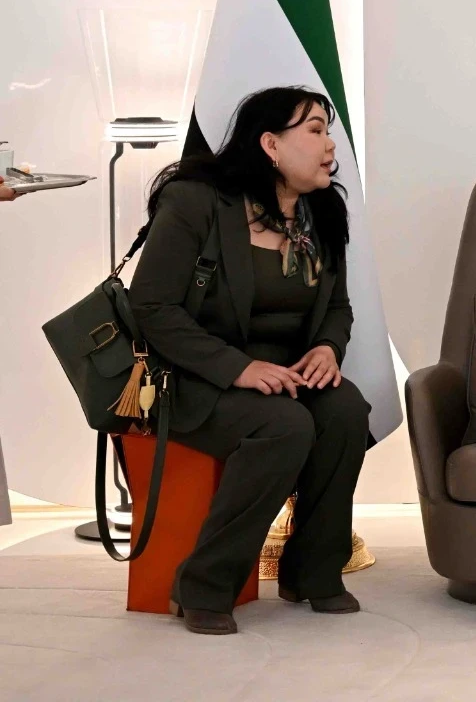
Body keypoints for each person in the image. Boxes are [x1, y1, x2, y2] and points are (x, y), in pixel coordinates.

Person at [128, 86, 371, 635]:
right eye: (315, 130)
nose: (330, 145)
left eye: (328, 131)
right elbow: (152, 307)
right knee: (284, 426)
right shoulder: (197, 202)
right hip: (198, 376)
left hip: (285, 376)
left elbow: (338, 306)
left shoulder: (322, 210)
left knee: (346, 411)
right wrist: (237, 368)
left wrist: (327, 348)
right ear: (271, 144)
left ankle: (312, 571)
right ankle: (203, 584)